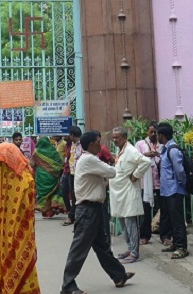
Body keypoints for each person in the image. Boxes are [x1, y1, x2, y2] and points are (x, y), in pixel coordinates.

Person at [60, 130, 134, 294]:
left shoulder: (88, 160)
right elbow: (112, 172)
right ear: (92, 144)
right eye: (99, 142)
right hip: (87, 210)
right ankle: (68, 286)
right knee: (79, 249)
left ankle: (119, 275)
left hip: (93, 208)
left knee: (102, 246)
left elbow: (104, 179)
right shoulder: (89, 159)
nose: (101, 145)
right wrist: (118, 161)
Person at [0, 142, 40, 294]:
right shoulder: (25, 179)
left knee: (5, 266)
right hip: (21, 237)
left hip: (1, 237)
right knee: (23, 271)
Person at [109, 127, 151, 264]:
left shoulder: (131, 150)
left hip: (128, 191)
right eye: (113, 137)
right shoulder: (120, 150)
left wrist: (136, 175)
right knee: (122, 221)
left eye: (117, 137)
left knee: (130, 222)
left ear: (125, 138)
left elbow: (146, 161)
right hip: (119, 192)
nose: (115, 140)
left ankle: (135, 252)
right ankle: (129, 248)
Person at [157, 122, 189, 259]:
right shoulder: (166, 149)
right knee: (171, 218)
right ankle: (176, 244)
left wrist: (184, 185)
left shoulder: (173, 150)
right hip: (167, 190)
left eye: (158, 134)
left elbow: (180, 171)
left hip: (175, 190)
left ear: (162, 135)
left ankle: (182, 247)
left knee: (177, 220)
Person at [135, 121, 160, 245]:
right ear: (147, 132)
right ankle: (144, 235)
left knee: (164, 209)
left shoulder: (161, 144)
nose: (154, 134)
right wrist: (146, 154)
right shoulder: (140, 144)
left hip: (160, 181)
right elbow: (135, 159)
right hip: (146, 182)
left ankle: (165, 236)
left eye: (156, 132)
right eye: (151, 132)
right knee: (145, 211)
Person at [32, 136, 66, 218]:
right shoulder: (53, 151)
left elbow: (32, 164)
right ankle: (54, 206)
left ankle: (46, 210)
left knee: (44, 194)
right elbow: (59, 164)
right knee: (53, 192)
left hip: (41, 178)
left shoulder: (37, 152)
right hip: (53, 177)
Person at [61, 126, 82, 226]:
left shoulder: (82, 145)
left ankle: (72, 216)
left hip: (77, 173)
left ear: (72, 135)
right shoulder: (71, 144)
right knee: (67, 192)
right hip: (69, 171)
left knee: (74, 195)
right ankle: (71, 213)